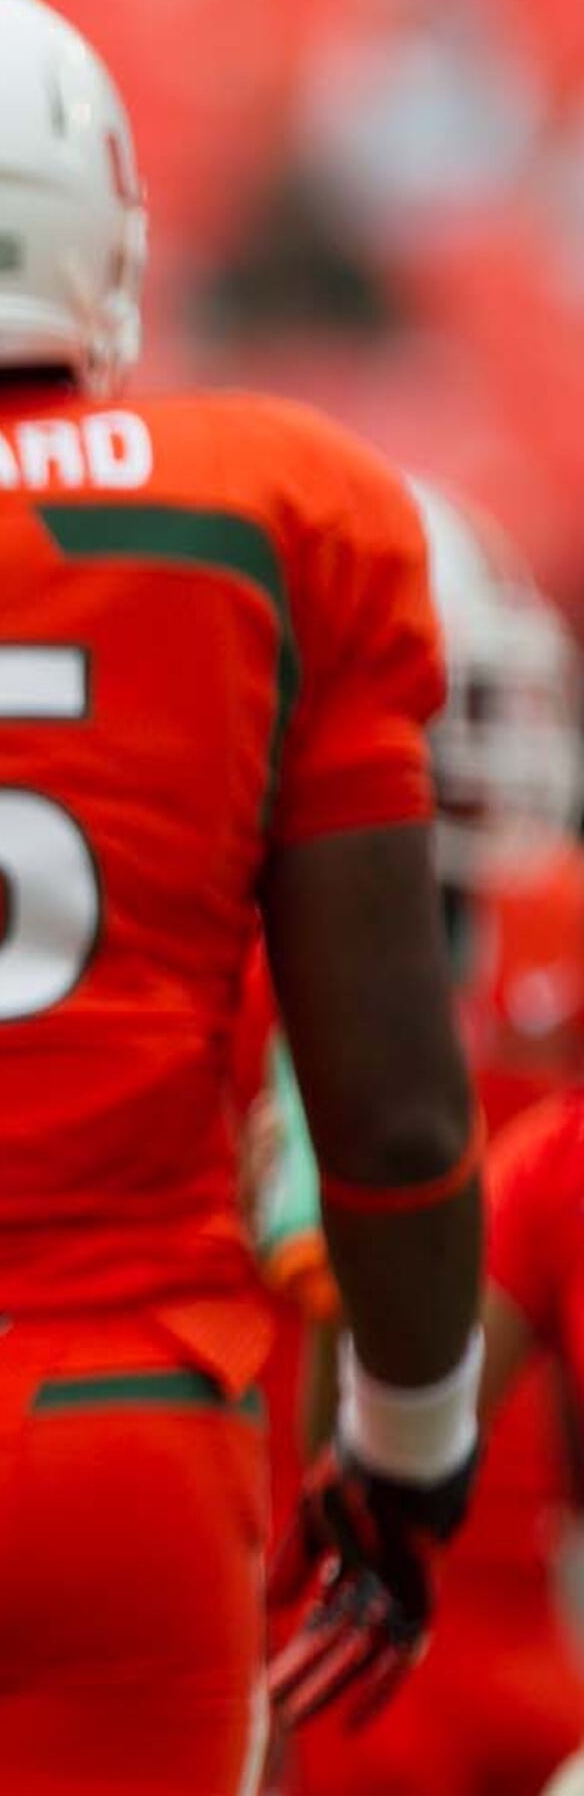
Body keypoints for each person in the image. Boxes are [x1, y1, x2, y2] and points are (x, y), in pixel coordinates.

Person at [0, 0, 490, 1787]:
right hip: (107, 1431)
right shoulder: (281, 505)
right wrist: (411, 1436)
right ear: (94, 232)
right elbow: (385, 1109)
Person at [285, 479, 584, 1796]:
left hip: (526, 1600)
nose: (450, 752)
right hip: (321, 1596)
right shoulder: (224, 967)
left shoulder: (554, 931)